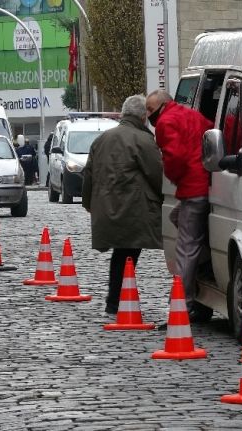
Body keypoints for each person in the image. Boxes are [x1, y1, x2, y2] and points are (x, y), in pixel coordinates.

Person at [81, 94, 163, 315]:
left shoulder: (102, 139)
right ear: (143, 116)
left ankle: (115, 300)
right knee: (127, 254)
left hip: (107, 207)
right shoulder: (143, 140)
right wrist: (165, 200)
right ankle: (116, 301)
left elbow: (88, 174)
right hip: (133, 208)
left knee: (122, 253)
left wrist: (88, 203)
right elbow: (157, 174)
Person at [146, 89, 214, 322]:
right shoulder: (192, 115)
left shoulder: (166, 122)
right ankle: (205, 260)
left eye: (150, 110)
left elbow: (174, 157)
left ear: (162, 106)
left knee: (186, 248)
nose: (148, 115)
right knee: (178, 219)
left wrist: (174, 177)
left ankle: (182, 303)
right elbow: (213, 129)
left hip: (192, 187)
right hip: (205, 184)